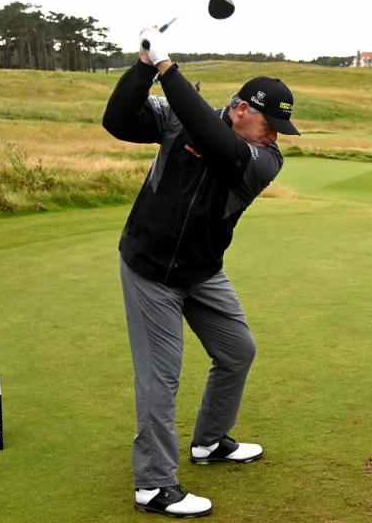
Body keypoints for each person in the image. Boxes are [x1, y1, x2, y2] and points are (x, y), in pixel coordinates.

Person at [102, 27, 299, 518]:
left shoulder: (264, 161)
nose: (275, 136)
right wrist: (145, 66)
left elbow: (215, 143)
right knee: (160, 377)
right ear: (241, 109)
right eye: (269, 123)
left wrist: (169, 69)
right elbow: (118, 119)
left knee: (237, 351)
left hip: (201, 270)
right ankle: (153, 484)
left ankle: (209, 442)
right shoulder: (178, 119)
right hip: (149, 268)